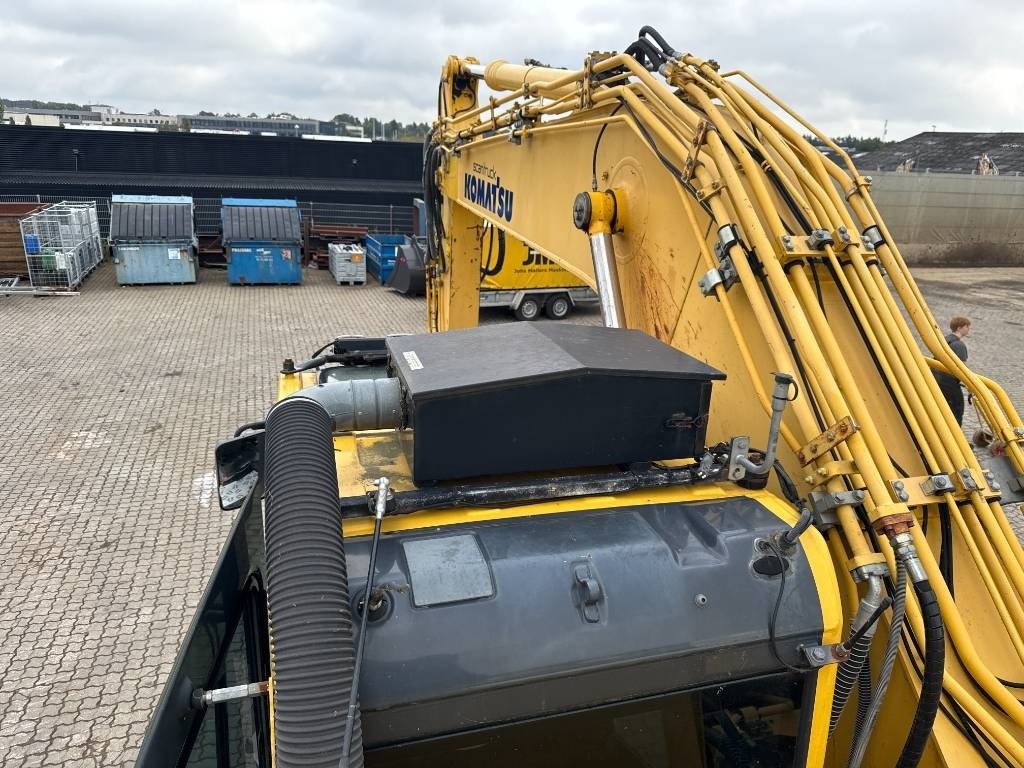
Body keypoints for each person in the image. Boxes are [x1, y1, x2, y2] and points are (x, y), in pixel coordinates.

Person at [933, 316, 971, 426]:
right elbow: (962, 367)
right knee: (957, 409)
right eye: (967, 326)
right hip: (950, 384)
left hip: (937, 379)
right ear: (959, 328)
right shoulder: (959, 345)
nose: (968, 329)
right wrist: (970, 385)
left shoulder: (945, 339)